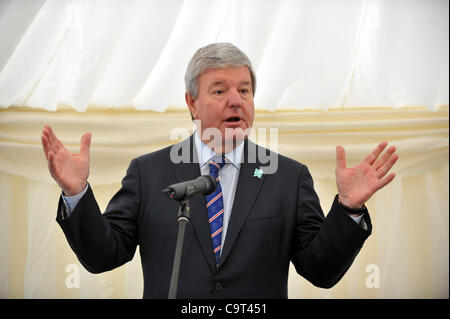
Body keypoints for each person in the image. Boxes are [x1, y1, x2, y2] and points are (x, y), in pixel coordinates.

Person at [41, 42, 398, 299]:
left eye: (244, 90)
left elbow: (320, 271)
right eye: (220, 90)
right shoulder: (149, 173)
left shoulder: (288, 178)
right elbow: (105, 256)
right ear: (192, 103)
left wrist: (348, 209)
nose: (236, 100)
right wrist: (77, 195)